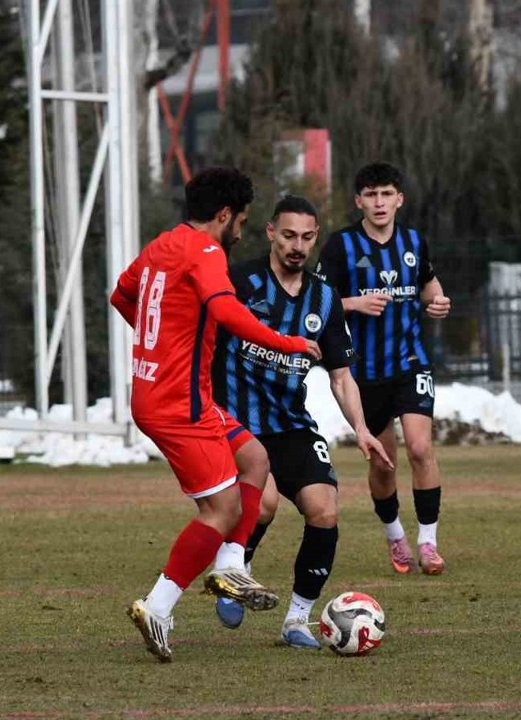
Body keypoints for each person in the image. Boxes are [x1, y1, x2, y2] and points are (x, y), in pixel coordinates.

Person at [110, 167, 320, 663]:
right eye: (241, 221)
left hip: (173, 393)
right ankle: (158, 607)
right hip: (177, 403)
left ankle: (231, 565)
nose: (241, 232)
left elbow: (122, 294)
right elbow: (226, 312)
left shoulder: (163, 245)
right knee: (222, 510)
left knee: (255, 459)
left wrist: (159, 343)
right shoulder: (206, 252)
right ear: (225, 215)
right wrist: (288, 343)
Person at [209, 195, 393, 648]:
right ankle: (235, 568)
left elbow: (341, 376)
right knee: (264, 503)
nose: (297, 246)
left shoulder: (324, 298)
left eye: (307, 237)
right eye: (289, 235)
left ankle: (296, 620)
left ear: (315, 238)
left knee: (325, 509)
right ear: (271, 232)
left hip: (290, 424)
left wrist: (362, 428)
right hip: (236, 422)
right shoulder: (239, 281)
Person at [316, 162, 451, 575]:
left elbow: (428, 284)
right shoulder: (340, 246)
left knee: (421, 448)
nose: (379, 202)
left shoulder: (413, 241)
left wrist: (438, 301)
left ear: (399, 199)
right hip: (363, 372)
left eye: (386, 194)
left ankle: (428, 542)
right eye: (371, 195)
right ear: (358, 201)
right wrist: (354, 303)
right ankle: (395, 535)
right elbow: (315, 303)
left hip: (410, 362)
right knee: (382, 461)